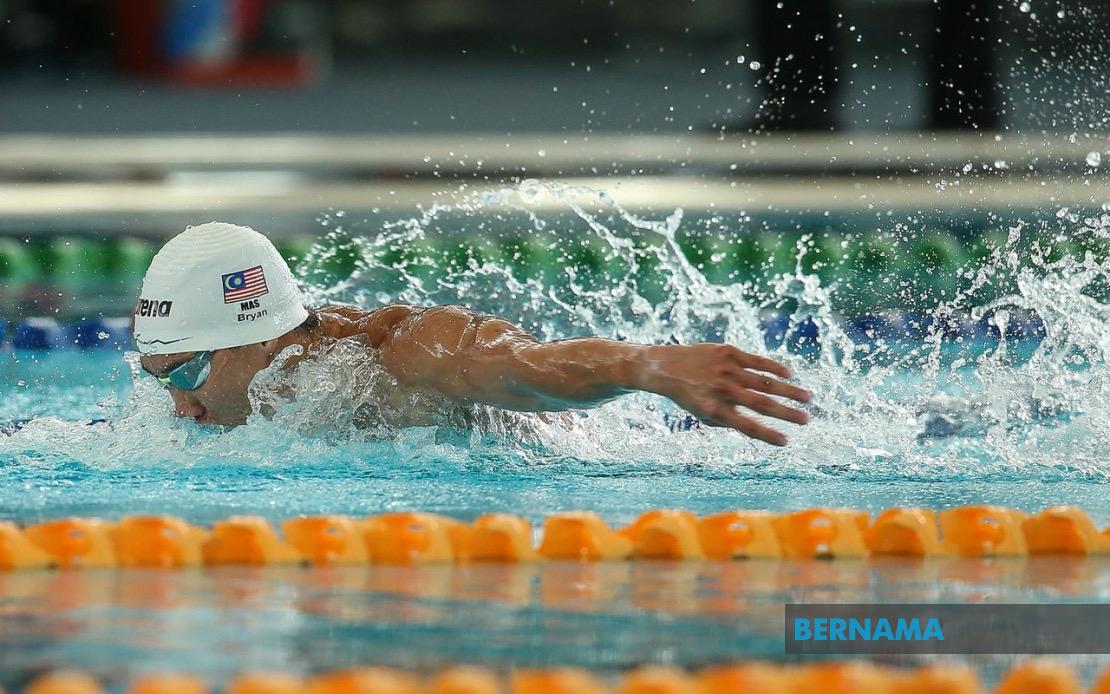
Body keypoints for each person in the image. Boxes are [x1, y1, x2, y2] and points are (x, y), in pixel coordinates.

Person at [133, 222, 812, 445]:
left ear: (262, 339)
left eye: (187, 374)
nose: (180, 408)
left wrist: (648, 367)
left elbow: (527, 368)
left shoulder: (401, 354)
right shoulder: (263, 384)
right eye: (161, 379)